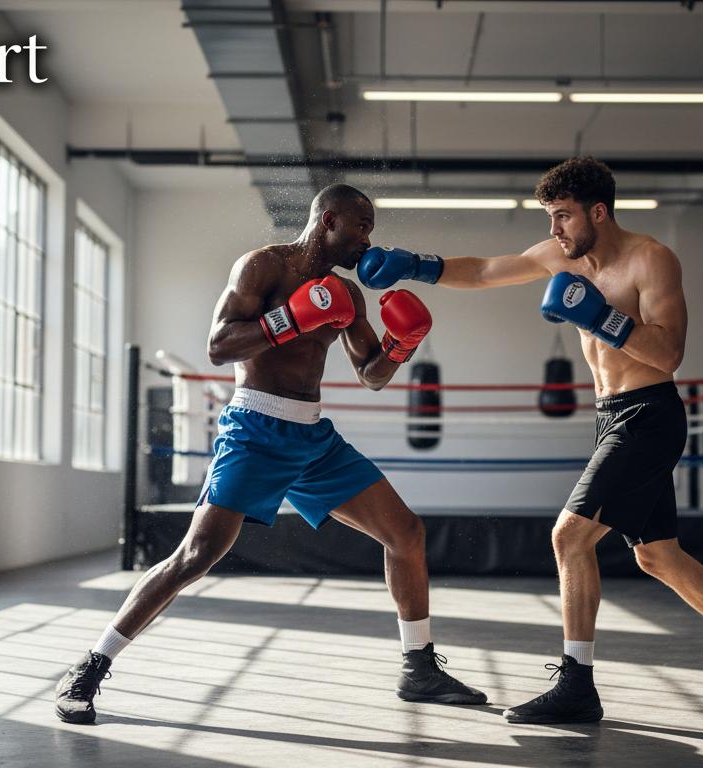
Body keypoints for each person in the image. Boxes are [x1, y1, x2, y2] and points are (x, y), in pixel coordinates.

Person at [356, 157, 703, 724]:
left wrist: (601, 317)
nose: (555, 230)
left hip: (649, 415)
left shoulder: (651, 260)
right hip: (609, 416)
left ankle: (578, 684)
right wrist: (415, 266)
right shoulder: (563, 255)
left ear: (599, 211)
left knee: (570, 538)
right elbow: (487, 270)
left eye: (563, 216)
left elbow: (669, 354)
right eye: (550, 217)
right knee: (657, 555)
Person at [53, 184, 486, 725]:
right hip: (255, 429)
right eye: (362, 226)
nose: (368, 238)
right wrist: (288, 320)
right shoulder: (264, 268)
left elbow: (372, 375)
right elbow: (218, 345)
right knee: (196, 555)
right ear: (329, 220)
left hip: (312, 438)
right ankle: (90, 668)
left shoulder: (347, 295)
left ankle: (419, 669)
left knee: (406, 533)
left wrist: (402, 346)